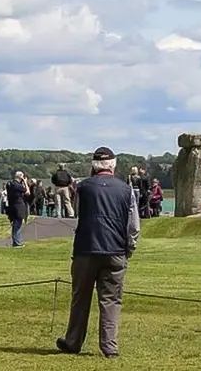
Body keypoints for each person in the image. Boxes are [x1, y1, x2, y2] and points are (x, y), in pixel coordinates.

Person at [56, 147, 139, 359]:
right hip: (115, 249)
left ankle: (73, 341)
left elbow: (78, 215)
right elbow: (133, 225)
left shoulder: (83, 188)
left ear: (93, 166)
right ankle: (109, 346)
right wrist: (129, 248)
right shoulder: (125, 190)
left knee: (80, 297)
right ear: (113, 165)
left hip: (86, 248)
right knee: (111, 300)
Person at [6, 172, 30, 247]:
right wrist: (25, 182)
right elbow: (27, 192)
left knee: (15, 224)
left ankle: (15, 241)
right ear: (20, 177)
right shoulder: (17, 185)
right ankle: (17, 242)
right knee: (18, 225)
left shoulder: (10, 184)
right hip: (18, 206)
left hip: (12, 206)